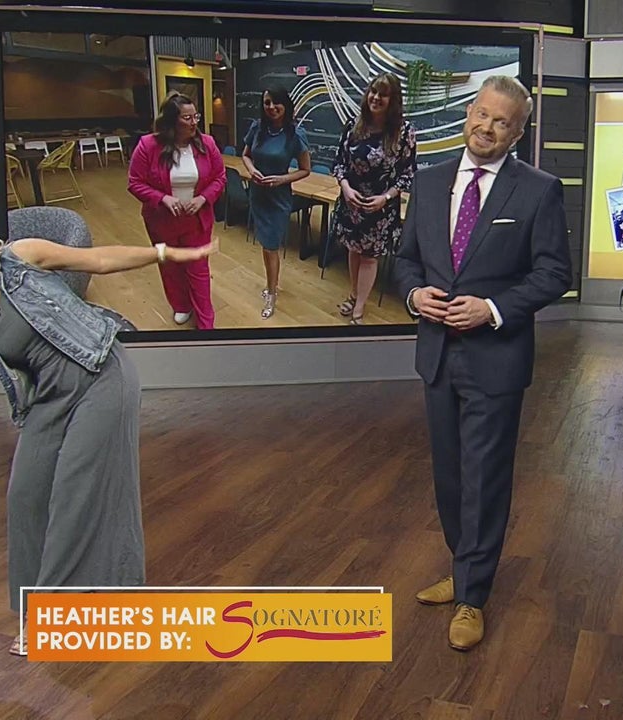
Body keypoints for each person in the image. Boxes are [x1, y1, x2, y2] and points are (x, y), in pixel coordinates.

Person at [0, 205, 216, 657]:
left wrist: (166, 253)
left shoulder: (21, 257)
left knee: (74, 491)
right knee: (25, 497)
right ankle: (35, 608)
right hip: (49, 400)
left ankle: (52, 616)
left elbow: (98, 260)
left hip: (101, 374)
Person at [395, 75, 572, 652]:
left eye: (502, 122)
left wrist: (493, 309)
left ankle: (472, 594)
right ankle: (463, 566)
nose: (486, 128)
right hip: (437, 356)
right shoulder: (429, 183)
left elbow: (554, 273)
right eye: (481, 114)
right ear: (469, 112)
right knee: (449, 475)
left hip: (495, 358)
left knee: (484, 477)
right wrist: (414, 294)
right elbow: (406, 260)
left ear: (518, 133)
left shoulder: (539, 190)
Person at [128, 92, 227, 329]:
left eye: (196, 117)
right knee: (169, 266)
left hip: (196, 221)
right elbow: (135, 183)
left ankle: (206, 324)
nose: (194, 123)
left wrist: (203, 198)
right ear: (172, 120)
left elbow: (220, 178)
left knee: (198, 270)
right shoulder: (148, 145)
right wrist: (162, 198)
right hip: (161, 221)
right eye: (187, 118)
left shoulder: (207, 143)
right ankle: (181, 305)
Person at [332, 73, 417, 325]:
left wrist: (386, 197)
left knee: (369, 257)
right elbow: (339, 163)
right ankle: (353, 294)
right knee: (353, 250)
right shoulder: (353, 125)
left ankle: (359, 307)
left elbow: (408, 174)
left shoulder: (404, 132)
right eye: (373, 92)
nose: (376, 98)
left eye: (383, 94)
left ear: (394, 100)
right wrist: (346, 188)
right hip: (351, 204)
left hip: (380, 210)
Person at [242, 86, 312, 318]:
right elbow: (245, 155)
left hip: (278, 197)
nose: (271, 107)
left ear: (286, 105)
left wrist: (282, 179)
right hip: (258, 194)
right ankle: (271, 284)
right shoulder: (257, 128)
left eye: (276, 102)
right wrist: (251, 170)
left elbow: (305, 170)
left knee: (271, 246)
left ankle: (271, 293)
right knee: (266, 246)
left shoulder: (295, 134)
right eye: (267, 103)